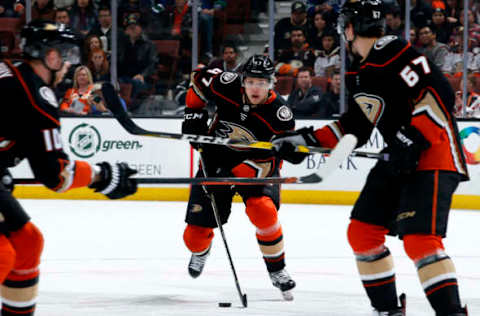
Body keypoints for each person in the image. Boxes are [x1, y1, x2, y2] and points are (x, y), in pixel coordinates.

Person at [272, 1, 469, 315]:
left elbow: (439, 92)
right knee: (363, 232)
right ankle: (387, 310)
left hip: (433, 152)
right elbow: (357, 127)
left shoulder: (392, 50)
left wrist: (412, 137)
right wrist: (305, 141)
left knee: (419, 240)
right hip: (398, 158)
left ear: (349, 28)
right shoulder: (361, 69)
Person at [0, 21, 137, 316]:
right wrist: (104, 176)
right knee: (2, 255)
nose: (68, 65)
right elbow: (55, 175)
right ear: (51, 57)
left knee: (26, 242)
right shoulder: (36, 96)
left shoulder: (10, 73)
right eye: (67, 55)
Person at [181, 55, 297, 300]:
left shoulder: (280, 114)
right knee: (193, 238)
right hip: (215, 158)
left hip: (256, 164)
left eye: (263, 83)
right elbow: (199, 80)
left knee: (263, 211)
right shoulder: (225, 83)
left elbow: (271, 162)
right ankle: (201, 250)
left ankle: (277, 269)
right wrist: (193, 116)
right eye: (252, 81)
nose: (256, 88)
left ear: (272, 84)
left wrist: (233, 173)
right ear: (243, 81)